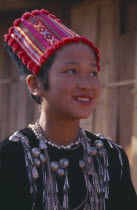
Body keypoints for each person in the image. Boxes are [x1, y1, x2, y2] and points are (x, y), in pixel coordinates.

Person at [0, 9, 136, 210]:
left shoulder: (111, 157)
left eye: (93, 73)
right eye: (71, 71)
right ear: (36, 85)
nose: (87, 84)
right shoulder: (11, 157)